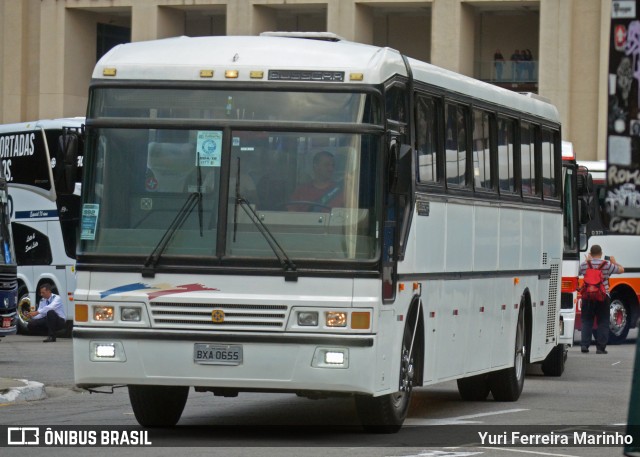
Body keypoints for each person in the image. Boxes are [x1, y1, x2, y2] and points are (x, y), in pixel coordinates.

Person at [578, 245, 624, 354]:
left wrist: (586, 261)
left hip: (588, 296)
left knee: (586, 321)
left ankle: (584, 345)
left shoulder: (585, 265)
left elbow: (579, 273)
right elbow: (621, 270)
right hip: (603, 296)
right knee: (603, 321)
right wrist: (615, 262)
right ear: (601, 253)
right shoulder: (607, 265)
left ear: (590, 253)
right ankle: (600, 348)